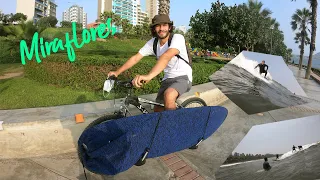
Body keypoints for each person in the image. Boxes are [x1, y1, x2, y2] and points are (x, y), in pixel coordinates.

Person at [107, 14, 192, 112]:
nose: (161, 29)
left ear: (169, 27)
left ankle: (173, 126)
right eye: (158, 26)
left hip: (183, 77)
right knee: (157, 111)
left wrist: (148, 76)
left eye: (164, 25)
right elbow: (136, 58)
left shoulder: (177, 38)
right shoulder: (153, 43)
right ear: (154, 29)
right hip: (167, 79)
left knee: (169, 95)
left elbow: (166, 56)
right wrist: (117, 72)